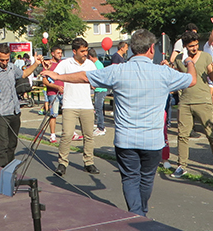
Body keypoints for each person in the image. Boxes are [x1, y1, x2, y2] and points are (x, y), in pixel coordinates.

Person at [46, 30, 195, 216]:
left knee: (130, 178)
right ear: (151, 48)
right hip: (152, 140)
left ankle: (137, 213)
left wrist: (58, 77)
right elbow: (192, 80)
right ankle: (141, 212)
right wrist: (189, 62)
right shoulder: (163, 72)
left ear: (131, 48)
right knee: (147, 178)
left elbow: (85, 76)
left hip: (126, 140)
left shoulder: (117, 70)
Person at [172, 31, 213, 177]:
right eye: (191, 46)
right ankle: (181, 165)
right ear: (185, 46)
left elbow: (212, 78)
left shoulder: (206, 56)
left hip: (203, 100)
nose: (194, 48)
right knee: (182, 135)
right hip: (185, 101)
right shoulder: (179, 59)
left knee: (211, 133)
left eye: (196, 45)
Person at [0, 43, 41, 167]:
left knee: (12, 143)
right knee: (3, 143)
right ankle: (1, 168)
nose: (5, 62)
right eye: (2, 60)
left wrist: (36, 64)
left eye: (7, 59)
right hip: (1, 112)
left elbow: (24, 74)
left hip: (14, 110)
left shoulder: (12, 67)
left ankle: (10, 167)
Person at [53, 38, 98, 176]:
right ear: (74, 51)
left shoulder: (90, 64)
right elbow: (54, 76)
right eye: (82, 51)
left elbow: (95, 81)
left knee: (88, 135)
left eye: (86, 50)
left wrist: (94, 85)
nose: (85, 53)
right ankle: (62, 163)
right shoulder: (66, 63)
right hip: (70, 105)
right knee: (67, 135)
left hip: (86, 105)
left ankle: (89, 163)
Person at [42, 46, 64, 142]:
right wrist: (56, 87)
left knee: (67, 113)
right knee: (53, 114)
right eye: (58, 53)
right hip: (53, 93)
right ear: (53, 53)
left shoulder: (62, 64)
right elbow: (45, 81)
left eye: (61, 53)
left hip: (63, 92)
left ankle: (69, 132)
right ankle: (53, 134)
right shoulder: (48, 64)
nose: (60, 55)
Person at [87, 48, 108, 136]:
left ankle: (101, 128)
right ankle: (100, 124)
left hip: (101, 90)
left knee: (98, 109)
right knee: (97, 108)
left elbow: (100, 78)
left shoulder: (97, 65)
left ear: (90, 57)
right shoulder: (97, 64)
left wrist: (94, 84)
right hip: (98, 89)